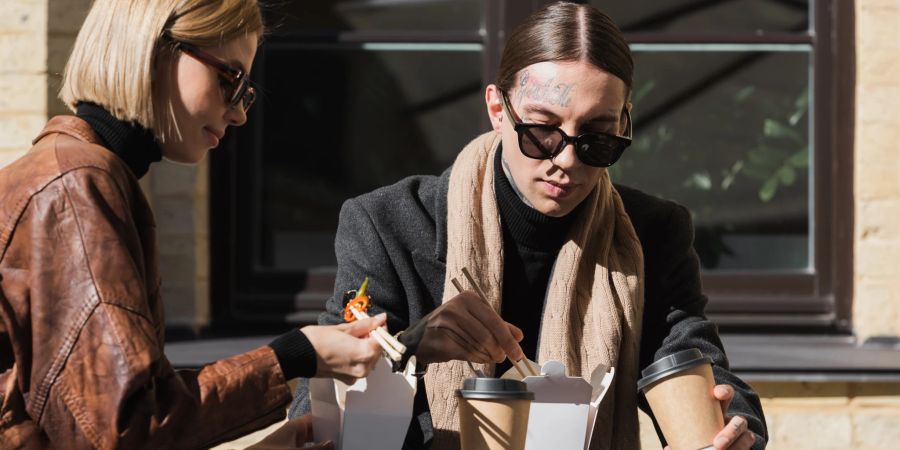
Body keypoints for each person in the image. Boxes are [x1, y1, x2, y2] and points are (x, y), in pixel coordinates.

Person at [290, 2, 767, 449]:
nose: (567, 161)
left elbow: (691, 359)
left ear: (624, 123)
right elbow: (323, 398)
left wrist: (733, 425)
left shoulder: (653, 231)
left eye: (597, 137)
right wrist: (413, 346)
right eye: (542, 131)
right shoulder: (388, 222)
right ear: (498, 109)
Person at [0, 1, 384, 448]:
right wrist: (296, 355)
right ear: (156, 50)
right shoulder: (76, 185)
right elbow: (127, 427)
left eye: (246, 92)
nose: (239, 112)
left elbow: (88, 419)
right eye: (230, 80)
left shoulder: (76, 174)